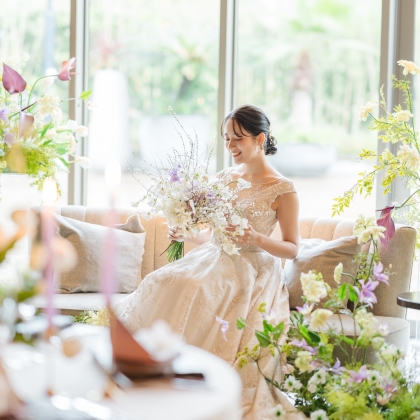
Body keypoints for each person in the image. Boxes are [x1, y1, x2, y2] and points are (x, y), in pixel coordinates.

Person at [115, 105, 302, 419]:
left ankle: (200, 381)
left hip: (253, 267)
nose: (230, 146)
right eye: (226, 138)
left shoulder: (283, 190)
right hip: (214, 256)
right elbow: (214, 235)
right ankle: (152, 369)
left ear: (260, 139)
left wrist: (256, 238)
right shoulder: (225, 177)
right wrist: (186, 234)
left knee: (197, 287)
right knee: (163, 280)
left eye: (238, 139)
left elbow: (293, 248)